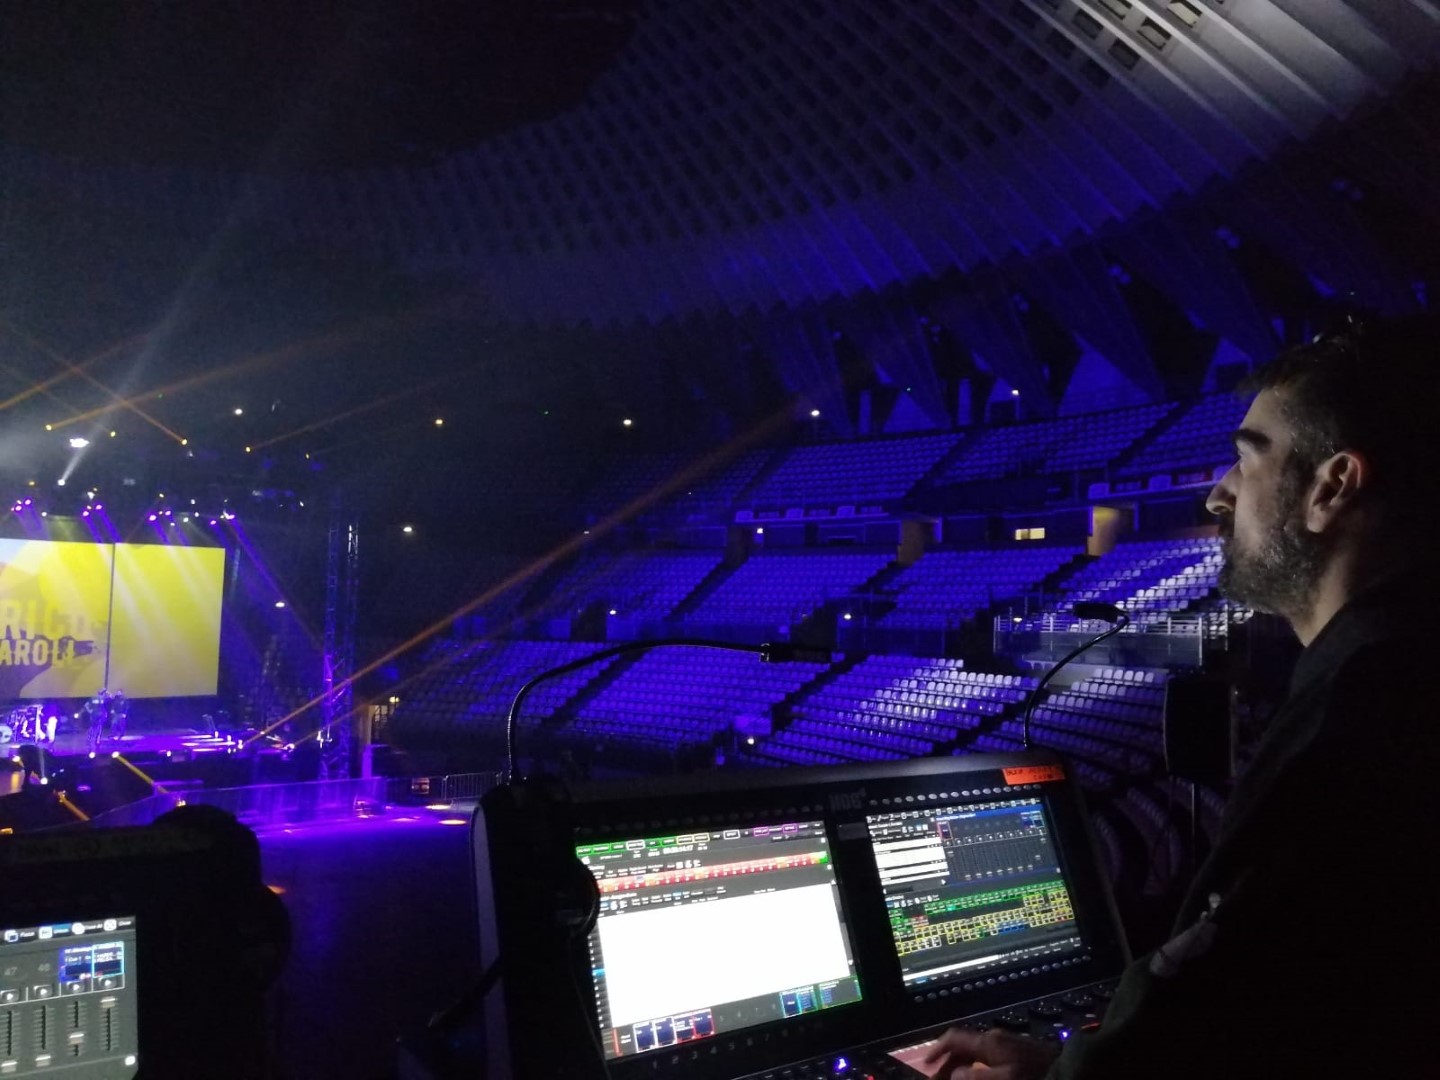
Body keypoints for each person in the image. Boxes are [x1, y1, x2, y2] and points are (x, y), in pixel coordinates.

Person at [924, 314, 1440, 1079]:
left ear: (1330, 488)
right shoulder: (1400, 664)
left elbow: (1220, 1011)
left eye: (1247, 459)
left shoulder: (1362, 714)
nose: (1218, 496)